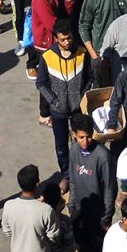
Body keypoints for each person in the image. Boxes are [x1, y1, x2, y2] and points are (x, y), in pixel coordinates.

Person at [36, 20, 91, 187]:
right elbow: (41, 83)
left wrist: (82, 95)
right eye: (63, 40)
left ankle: (81, 171)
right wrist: (53, 100)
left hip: (77, 109)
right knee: (61, 145)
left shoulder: (82, 53)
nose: (67, 42)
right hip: (58, 110)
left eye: (69, 38)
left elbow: (90, 78)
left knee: (81, 141)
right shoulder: (47, 57)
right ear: (56, 39)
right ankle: (66, 175)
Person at [68, 114, 116, 252]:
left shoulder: (103, 156)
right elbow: (73, 181)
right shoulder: (74, 150)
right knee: (82, 251)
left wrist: (106, 218)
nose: (85, 141)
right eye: (81, 137)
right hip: (79, 213)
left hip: (97, 217)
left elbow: (109, 188)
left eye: (88, 137)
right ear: (74, 134)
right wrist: (72, 206)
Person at [2, 165, 61, 252]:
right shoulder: (46, 210)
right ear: (37, 183)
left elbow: (7, 231)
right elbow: (54, 236)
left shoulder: (8, 206)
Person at [78, 0, 127, 72]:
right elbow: (83, 27)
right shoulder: (92, 0)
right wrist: (93, 53)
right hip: (99, 52)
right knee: (101, 86)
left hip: (121, 51)